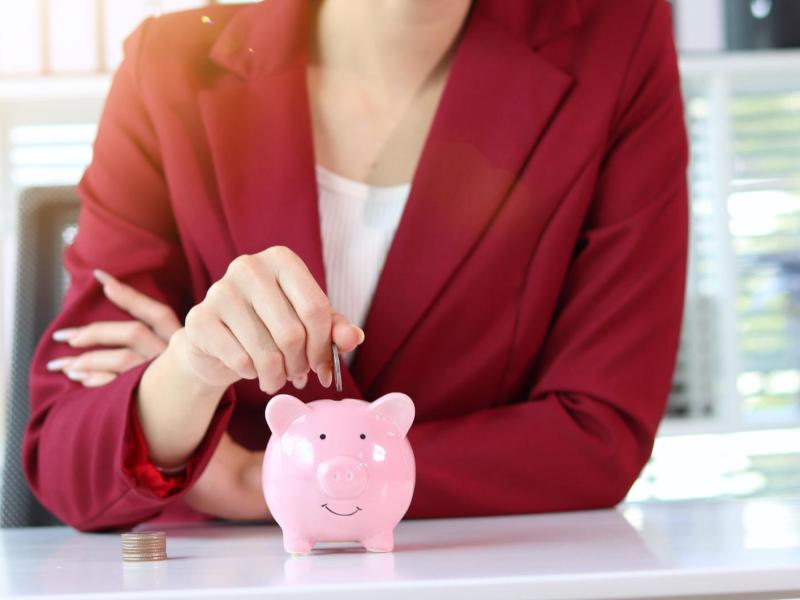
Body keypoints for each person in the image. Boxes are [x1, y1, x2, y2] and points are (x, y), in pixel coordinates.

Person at [23, 0, 689, 531]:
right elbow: (67, 462)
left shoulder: (616, 38)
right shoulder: (169, 67)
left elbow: (600, 435)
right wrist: (190, 370)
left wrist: (268, 481)